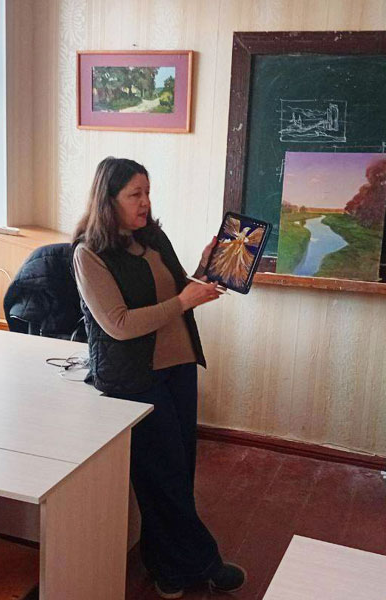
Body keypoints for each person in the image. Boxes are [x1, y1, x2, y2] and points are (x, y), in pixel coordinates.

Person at [71, 157, 246, 598]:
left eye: (147, 192)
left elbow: (175, 291)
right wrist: (185, 301)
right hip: (134, 377)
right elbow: (119, 324)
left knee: (177, 472)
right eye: (135, 194)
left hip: (179, 366)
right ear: (108, 199)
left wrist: (204, 268)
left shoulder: (152, 236)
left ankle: (166, 566)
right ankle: (205, 562)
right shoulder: (88, 254)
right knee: (163, 476)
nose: (145, 202)